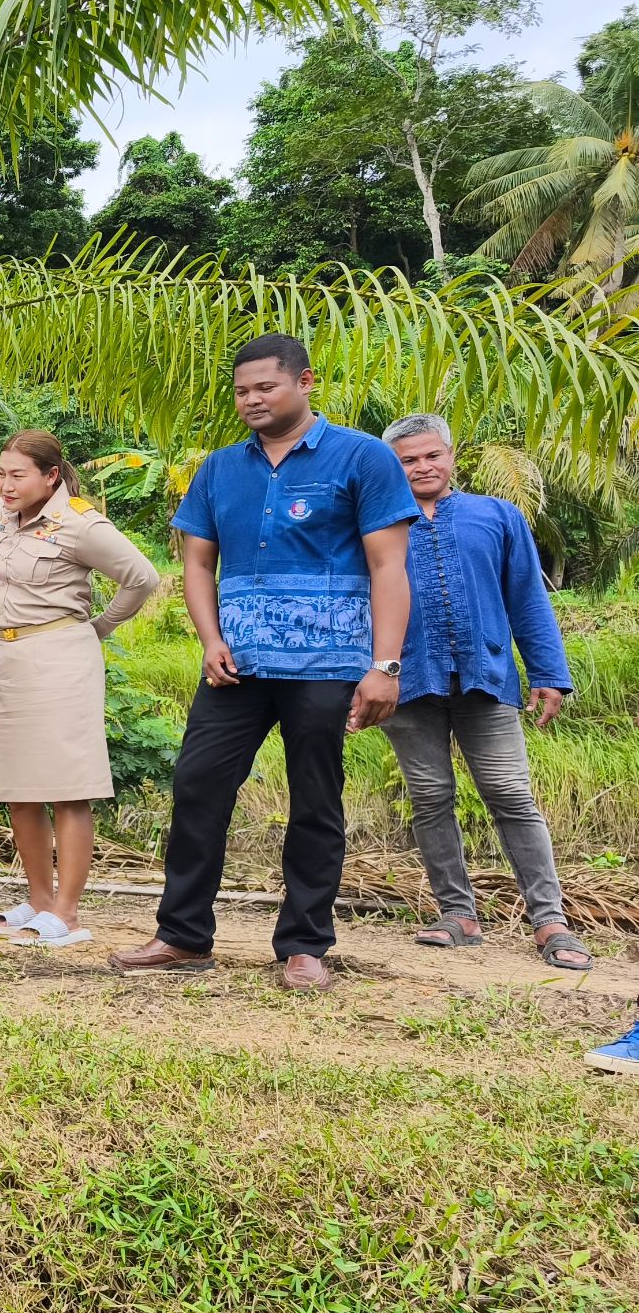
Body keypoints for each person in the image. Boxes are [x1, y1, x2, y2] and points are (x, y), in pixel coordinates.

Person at [111, 334, 417, 989]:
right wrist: (209, 637)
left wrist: (384, 666)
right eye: (242, 390)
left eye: (265, 388)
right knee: (197, 785)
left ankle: (305, 945)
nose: (251, 400)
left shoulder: (362, 457)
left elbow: (390, 565)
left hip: (327, 662)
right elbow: (196, 561)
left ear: (305, 381)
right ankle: (183, 935)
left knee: (314, 799)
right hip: (237, 664)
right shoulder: (220, 468)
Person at [378, 414, 592, 971]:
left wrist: (548, 672)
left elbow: (527, 598)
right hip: (406, 685)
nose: (422, 467)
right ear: (392, 466)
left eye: (431, 455)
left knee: (511, 796)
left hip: (487, 681)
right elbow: (358, 601)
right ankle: (458, 914)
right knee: (430, 799)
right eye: (408, 460)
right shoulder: (377, 521)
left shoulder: (497, 515)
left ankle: (550, 921)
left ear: (452, 456)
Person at [0, 429, 161, 947]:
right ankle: (38, 900)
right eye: (1, 472)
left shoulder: (80, 525)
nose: (6, 484)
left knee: (67, 787)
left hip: (61, 658)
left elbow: (142, 577)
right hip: (11, 657)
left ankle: (67, 912)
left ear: (50, 476)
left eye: (18, 475)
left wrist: (98, 627)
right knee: (20, 789)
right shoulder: (1, 515)